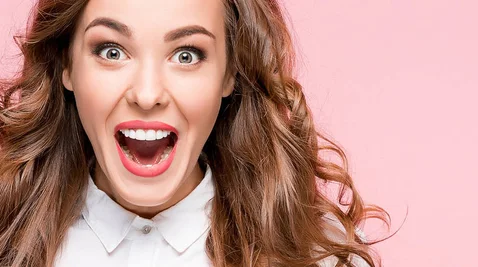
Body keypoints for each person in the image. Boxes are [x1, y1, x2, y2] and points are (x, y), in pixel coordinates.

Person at [0, 0, 390, 266]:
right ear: (67, 65)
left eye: (186, 54)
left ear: (229, 74)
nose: (148, 94)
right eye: (112, 51)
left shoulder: (315, 253)